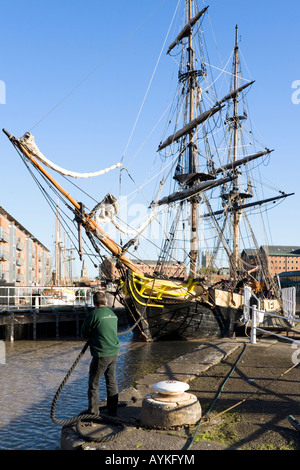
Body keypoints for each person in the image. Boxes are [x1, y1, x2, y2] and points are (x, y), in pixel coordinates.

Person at [81, 290, 120, 416]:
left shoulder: (94, 314)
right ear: (106, 301)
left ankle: (93, 413)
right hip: (114, 352)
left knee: (93, 383)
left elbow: (84, 333)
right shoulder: (112, 314)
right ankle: (113, 410)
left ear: (94, 303)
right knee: (111, 381)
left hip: (102, 354)